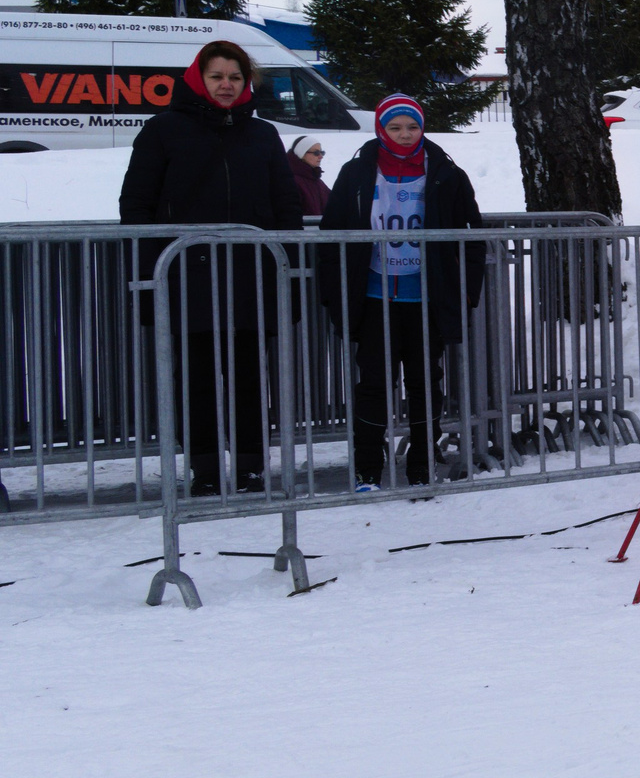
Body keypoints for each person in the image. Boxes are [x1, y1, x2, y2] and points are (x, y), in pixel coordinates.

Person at [119, 39, 304, 496]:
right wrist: (152, 276)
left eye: (235, 77)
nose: (226, 85)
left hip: (251, 277)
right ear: (197, 79)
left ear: (248, 83)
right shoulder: (163, 129)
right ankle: (203, 469)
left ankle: (249, 467)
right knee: (195, 378)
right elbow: (136, 204)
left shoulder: (262, 134)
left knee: (248, 377)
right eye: (218, 76)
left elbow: (286, 206)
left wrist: (288, 275)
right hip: (185, 278)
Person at [316, 95, 487, 491]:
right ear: (381, 129)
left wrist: (464, 294)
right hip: (374, 298)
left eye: (412, 127)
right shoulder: (357, 172)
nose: (405, 135)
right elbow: (332, 236)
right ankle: (366, 470)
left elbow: (473, 237)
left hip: (425, 299)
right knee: (373, 384)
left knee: (425, 382)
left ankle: (422, 467)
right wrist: (335, 296)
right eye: (395, 128)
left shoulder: (446, 172)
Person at [286, 136, 332, 219]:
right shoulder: (291, 181)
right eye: (316, 153)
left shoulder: (317, 181)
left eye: (322, 152)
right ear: (302, 154)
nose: (321, 156)